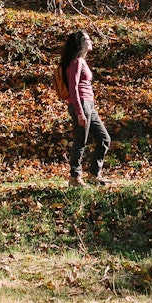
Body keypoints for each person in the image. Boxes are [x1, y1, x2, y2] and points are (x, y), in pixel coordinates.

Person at [55, 30, 111, 186]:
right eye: (88, 39)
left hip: (88, 106)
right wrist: (80, 112)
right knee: (80, 141)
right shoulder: (76, 61)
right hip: (81, 105)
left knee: (104, 138)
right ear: (81, 43)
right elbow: (73, 87)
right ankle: (75, 177)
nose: (91, 41)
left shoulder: (81, 61)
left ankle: (94, 174)